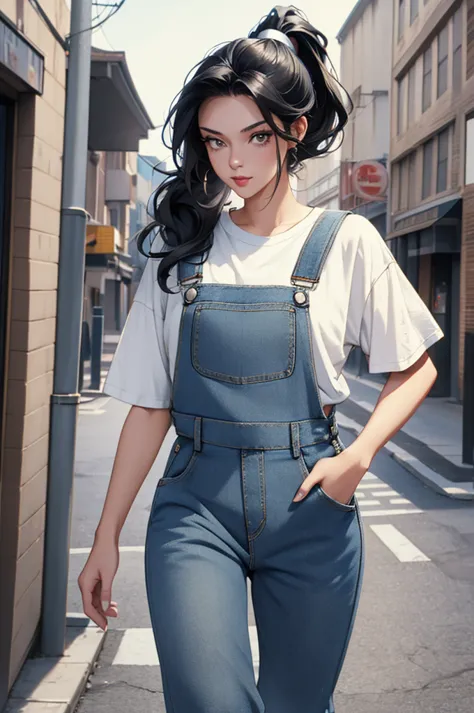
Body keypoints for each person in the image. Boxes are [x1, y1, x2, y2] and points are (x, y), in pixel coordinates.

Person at [78, 6, 444, 712]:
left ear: (294, 132)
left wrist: (358, 458)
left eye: (252, 137)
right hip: (194, 504)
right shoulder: (176, 248)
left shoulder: (346, 243)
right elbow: (151, 406)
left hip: (310, 499)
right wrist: (104, 538)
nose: (233, 162)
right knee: (212, 702)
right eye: (215, 142)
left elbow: (417, 365)